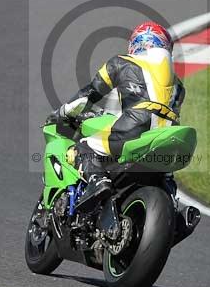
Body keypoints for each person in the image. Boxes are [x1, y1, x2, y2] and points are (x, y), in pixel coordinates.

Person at [51, 21, 185, 212]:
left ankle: (97, 181)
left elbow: (88, 95)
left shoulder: (120, 62)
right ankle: (173, 207)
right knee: (166, 176)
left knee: (85, 147)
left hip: (136, 125)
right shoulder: (179, 86)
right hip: (168, 135)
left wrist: (62, 112)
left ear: (136, 44)